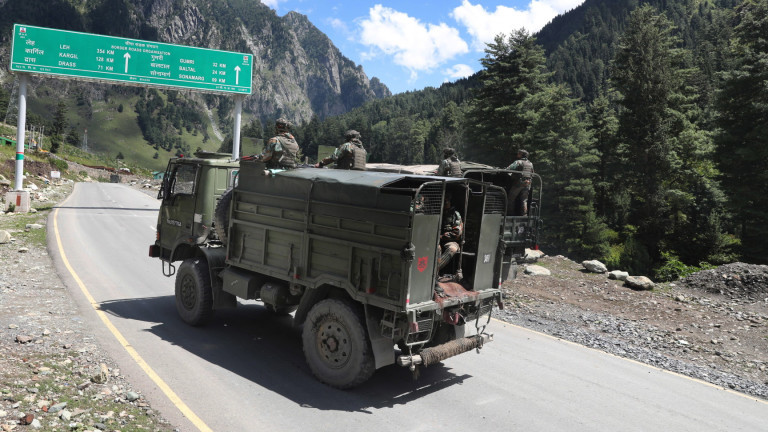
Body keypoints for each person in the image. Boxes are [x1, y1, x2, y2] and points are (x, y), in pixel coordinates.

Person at [506, 149, 534, 215]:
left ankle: (510, 214)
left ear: (521, 155)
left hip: (518, 183)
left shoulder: (518, 162)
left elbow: (508, 169)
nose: (517, 154)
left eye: (519, 153)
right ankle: (524, 215)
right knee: (524, 200)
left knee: (510, 199)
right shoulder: (530, 163)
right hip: (527, 183)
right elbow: (532, 173)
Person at [438, 196, 463, 270]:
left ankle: (435, 269)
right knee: (437, 248)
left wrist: (442, 237)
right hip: (436, 239)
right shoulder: (437, 212)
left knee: (452, 249)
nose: (445, 203)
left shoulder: (455, 215)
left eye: (447, 201)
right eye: (444, 200)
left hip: (450, 241)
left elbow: (456, 233)